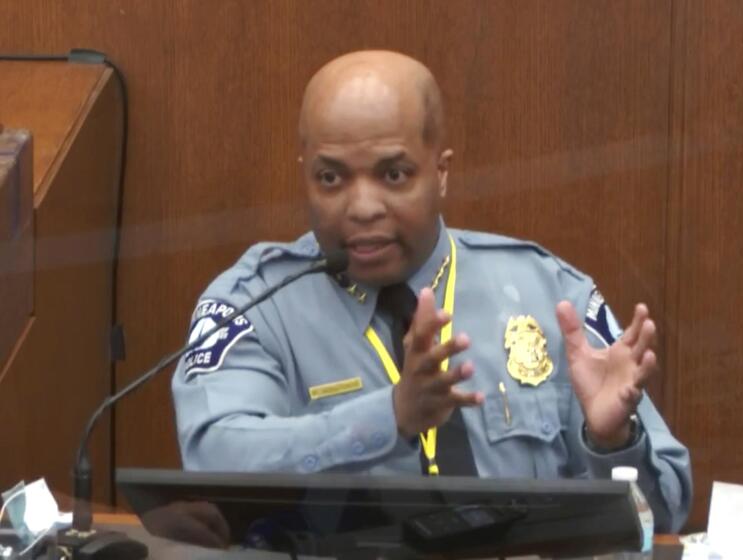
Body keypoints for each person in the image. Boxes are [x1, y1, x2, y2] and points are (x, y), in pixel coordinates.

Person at [172, 50, 692, 531]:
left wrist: (612, 444)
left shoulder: (548, 294)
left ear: (440, 173)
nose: (362, 207)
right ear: (304, 177)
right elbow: (215, 459)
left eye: (393, 174)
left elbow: (665, 508)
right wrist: (390, 416)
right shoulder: (254, 305)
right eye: (330, 179)